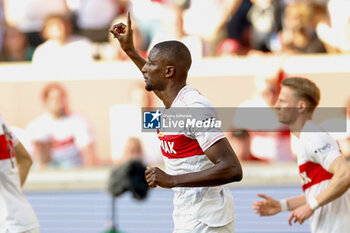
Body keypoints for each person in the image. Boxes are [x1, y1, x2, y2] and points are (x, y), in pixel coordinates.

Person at [110, 12, 243, 233]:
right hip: (188, 214)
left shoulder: (195, 108)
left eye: (151, 64)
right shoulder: (172, 101)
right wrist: (130, 51)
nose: (145, 68)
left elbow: (232, 169)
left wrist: (172, 179)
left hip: (208, 219)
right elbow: (156, 80)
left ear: (169, 72)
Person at [253, 77, 350, 233]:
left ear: (301, 106)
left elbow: (345, 174)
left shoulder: (313, 137)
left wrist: (310, 207)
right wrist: (282, 205)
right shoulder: (307, 138)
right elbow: (322, 191)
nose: (277, 106)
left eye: (283, 101)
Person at [26, 83, 98, 169]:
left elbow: (88, 155)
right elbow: (31, 158)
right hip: (48, 176)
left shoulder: (78, 122)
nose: (59, 101)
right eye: (54, 98)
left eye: (62, 97)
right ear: (46, 101)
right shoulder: (36, 126)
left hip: (74, 174)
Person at [0, 115, 40, 233]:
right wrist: (13, 192)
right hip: (23, 220)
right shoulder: (2, 123)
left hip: (9, 224)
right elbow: (25, 160)